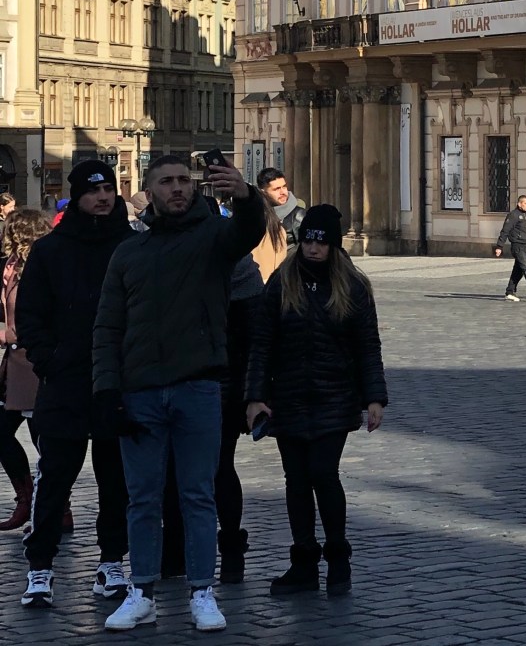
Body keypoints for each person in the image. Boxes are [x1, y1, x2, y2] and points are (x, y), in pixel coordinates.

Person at [91, 151, 265, 632]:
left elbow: (247, 232)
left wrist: (245, 194)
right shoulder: (129, 252)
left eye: (184, 181)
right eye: (166, 181)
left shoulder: (212, 238)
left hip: (199, 387)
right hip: (140, 392)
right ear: (149, 191)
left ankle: (202, 591)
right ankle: (141, 589)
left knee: (198, 495)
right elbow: (107, 327)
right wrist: (106, 391)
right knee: (142, 498)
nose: (177, 188)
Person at [245, 204, 387, 598]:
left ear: (333, 246)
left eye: (320, 242)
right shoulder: (281, 281)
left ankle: (338, 558)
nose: (312, 248)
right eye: (307, 239)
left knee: (324, 475)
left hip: (334, 398)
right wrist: (255, 397)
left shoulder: (352, 286)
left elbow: (367, 347)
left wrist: (374, 398)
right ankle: (303, 561)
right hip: (287, 398)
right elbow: (261, 344)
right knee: (296, 481)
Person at [16, 160, 132, 610]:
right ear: (78, 196)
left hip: (115, 381)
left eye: (109, 189)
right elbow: (31, 315)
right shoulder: (51, 250)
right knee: (55, 480)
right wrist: (50, 360)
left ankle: (111, 563)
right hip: (65, 381)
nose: (103, 197)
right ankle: (40, 568)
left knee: (115, 480)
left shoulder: (131, 244)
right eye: (93, 191)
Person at [0, 208, 49, 532]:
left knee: (44, 438)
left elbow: (36, 319)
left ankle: (51, 505)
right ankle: (28, 496)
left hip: (34, 362)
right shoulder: (10, 267)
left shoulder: (40, 269)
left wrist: (7, 333)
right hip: (13, 363)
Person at [251, 168, 306, 282]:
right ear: (263, 192)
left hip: (288, 279)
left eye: (284, 186)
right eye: (276, 189)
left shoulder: (298, 215)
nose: (283, 192)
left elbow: (305, 252)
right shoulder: (256, 215)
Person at [494, 194, 526, 301]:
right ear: (519, 204)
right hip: (518, 246)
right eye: (525, 203)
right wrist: (499, 246)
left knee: (518, 270)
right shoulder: (513, 215)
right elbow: (505, 230)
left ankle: (510, 291)